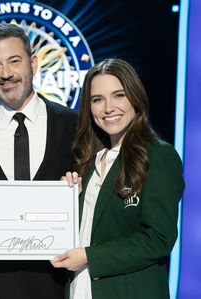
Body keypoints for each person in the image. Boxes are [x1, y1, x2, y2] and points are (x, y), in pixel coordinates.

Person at [0, 23, 78, 299]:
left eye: (14, 61)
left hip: (60, 286)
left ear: (33, 63)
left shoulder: (75, 125)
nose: (6, 73)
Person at [50, 58, 185, 299]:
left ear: (136, 99)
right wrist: (66, 201)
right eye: (97, 99)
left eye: (118, 95)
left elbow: (158, 238)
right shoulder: (87, 162)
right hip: (79, 290)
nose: (108, 107)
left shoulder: (158, 156)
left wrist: (89, 256)